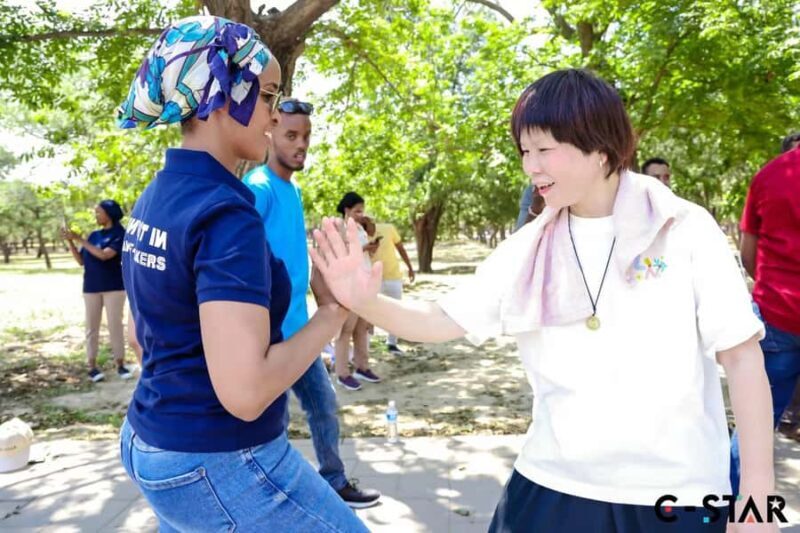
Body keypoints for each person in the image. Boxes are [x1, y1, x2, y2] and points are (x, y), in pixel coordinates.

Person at [310, 69, 777, 532]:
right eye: (524, 151)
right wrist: (364, 301)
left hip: (676, 494)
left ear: (600, 147)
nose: (531, 167)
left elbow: (742, 358)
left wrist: (757, 501)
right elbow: (440, 319)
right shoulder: (530, 247)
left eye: (544, 150)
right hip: (553, 484)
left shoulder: (683, 228)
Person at [115, 16, 368, 532]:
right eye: (268, 95)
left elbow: (140, 338)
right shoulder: (227, 213)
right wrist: (334, 311)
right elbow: (247, 394)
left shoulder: (156, 195)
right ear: (218, 93)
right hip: (217, 460)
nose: (273, 115)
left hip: (149, 439)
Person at [242, 98, 380, 507]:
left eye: (305, 136)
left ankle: (334, 481)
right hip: (269, 337)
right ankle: (266, 499)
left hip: (300, 328)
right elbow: (239, 252)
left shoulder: (292, 190)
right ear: (270, 132)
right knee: (274, 421)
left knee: (323, 406)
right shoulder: (259, 187)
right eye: (291, 135)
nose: (301, 144)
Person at [733, 134, 800, 476]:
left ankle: (730, 504)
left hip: (777, 314)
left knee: (754, 424)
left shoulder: (769, 175)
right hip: (777, 317)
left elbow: (748, 253)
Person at [62, 200, 132, 382]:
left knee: (115, 326)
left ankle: (120, 364)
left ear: (109, 214)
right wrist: (71, 242)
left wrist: (79, 239)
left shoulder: (120, 234)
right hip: (91, 288)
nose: (96, 215)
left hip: (114, 288)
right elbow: (81, 261)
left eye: (99, 212)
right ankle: (92, 367)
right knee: (91, 327)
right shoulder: (93, 235)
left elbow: (104, 255)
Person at [333, 192, 381, 391]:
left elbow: (366, 255)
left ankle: (362, 366)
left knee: (362, 328)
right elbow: (341, 255)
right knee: (346, 329)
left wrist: (371, 247)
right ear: (347, 210)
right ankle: (342, 373)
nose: (361, 214)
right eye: (357, 211)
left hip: (364, 282)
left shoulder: (361, 228)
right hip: (349, 284)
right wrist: (363, 248)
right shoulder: (339, 227)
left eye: (362, 211)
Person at [365, 217, 415, 355]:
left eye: (367, 223)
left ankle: (392, 343)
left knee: (396, 310)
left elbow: (400, 248)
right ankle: (366, 346)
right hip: (373, 279)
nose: (367, 228)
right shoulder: (361, 236)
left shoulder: (388, 229)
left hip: (393, 277)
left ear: (372, 222)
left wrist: (410, 267)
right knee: (370, 313)